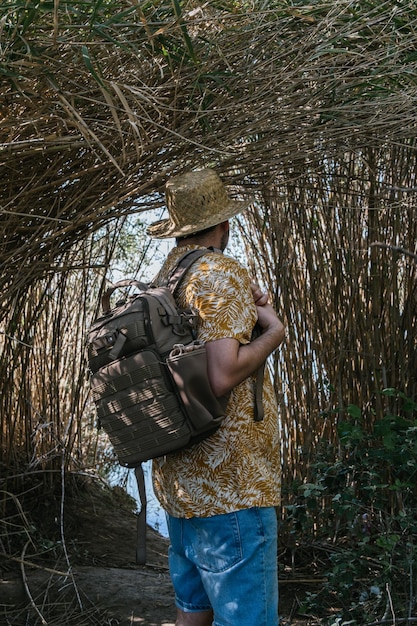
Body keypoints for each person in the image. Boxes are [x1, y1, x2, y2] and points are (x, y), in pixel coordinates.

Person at [147, 168, 285, 626]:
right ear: (223, 224)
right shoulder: (220, 272)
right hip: (232, 490)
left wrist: (248, 308)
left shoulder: (167, 274)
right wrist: (274, 332)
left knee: (192, 614)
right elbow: (223, 374)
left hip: (180, 487)